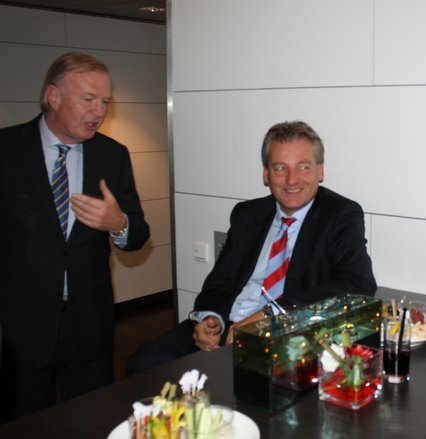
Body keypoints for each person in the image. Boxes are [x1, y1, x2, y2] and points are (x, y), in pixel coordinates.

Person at [127, 120, 376, 375]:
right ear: (266, 174)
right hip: (228, 326)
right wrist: (211, 318)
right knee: (146, 359)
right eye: (280, 168)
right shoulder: (247, 214)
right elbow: (220, 281)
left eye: (303, 167)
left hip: (287, 333)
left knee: (246, 382)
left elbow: (358, 283)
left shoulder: (340, 215)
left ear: (319, 171)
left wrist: (270, 315)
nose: (292, 180)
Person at [0, 52, 150, 422]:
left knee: (94, 420)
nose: (99, 111)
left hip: (89, 322)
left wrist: (118, 223)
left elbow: (138, 234)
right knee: (25, 424)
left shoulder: (112, 155)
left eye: (105, 101)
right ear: (53, 97)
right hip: (21, 325)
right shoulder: (7, 150)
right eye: (89, 99)